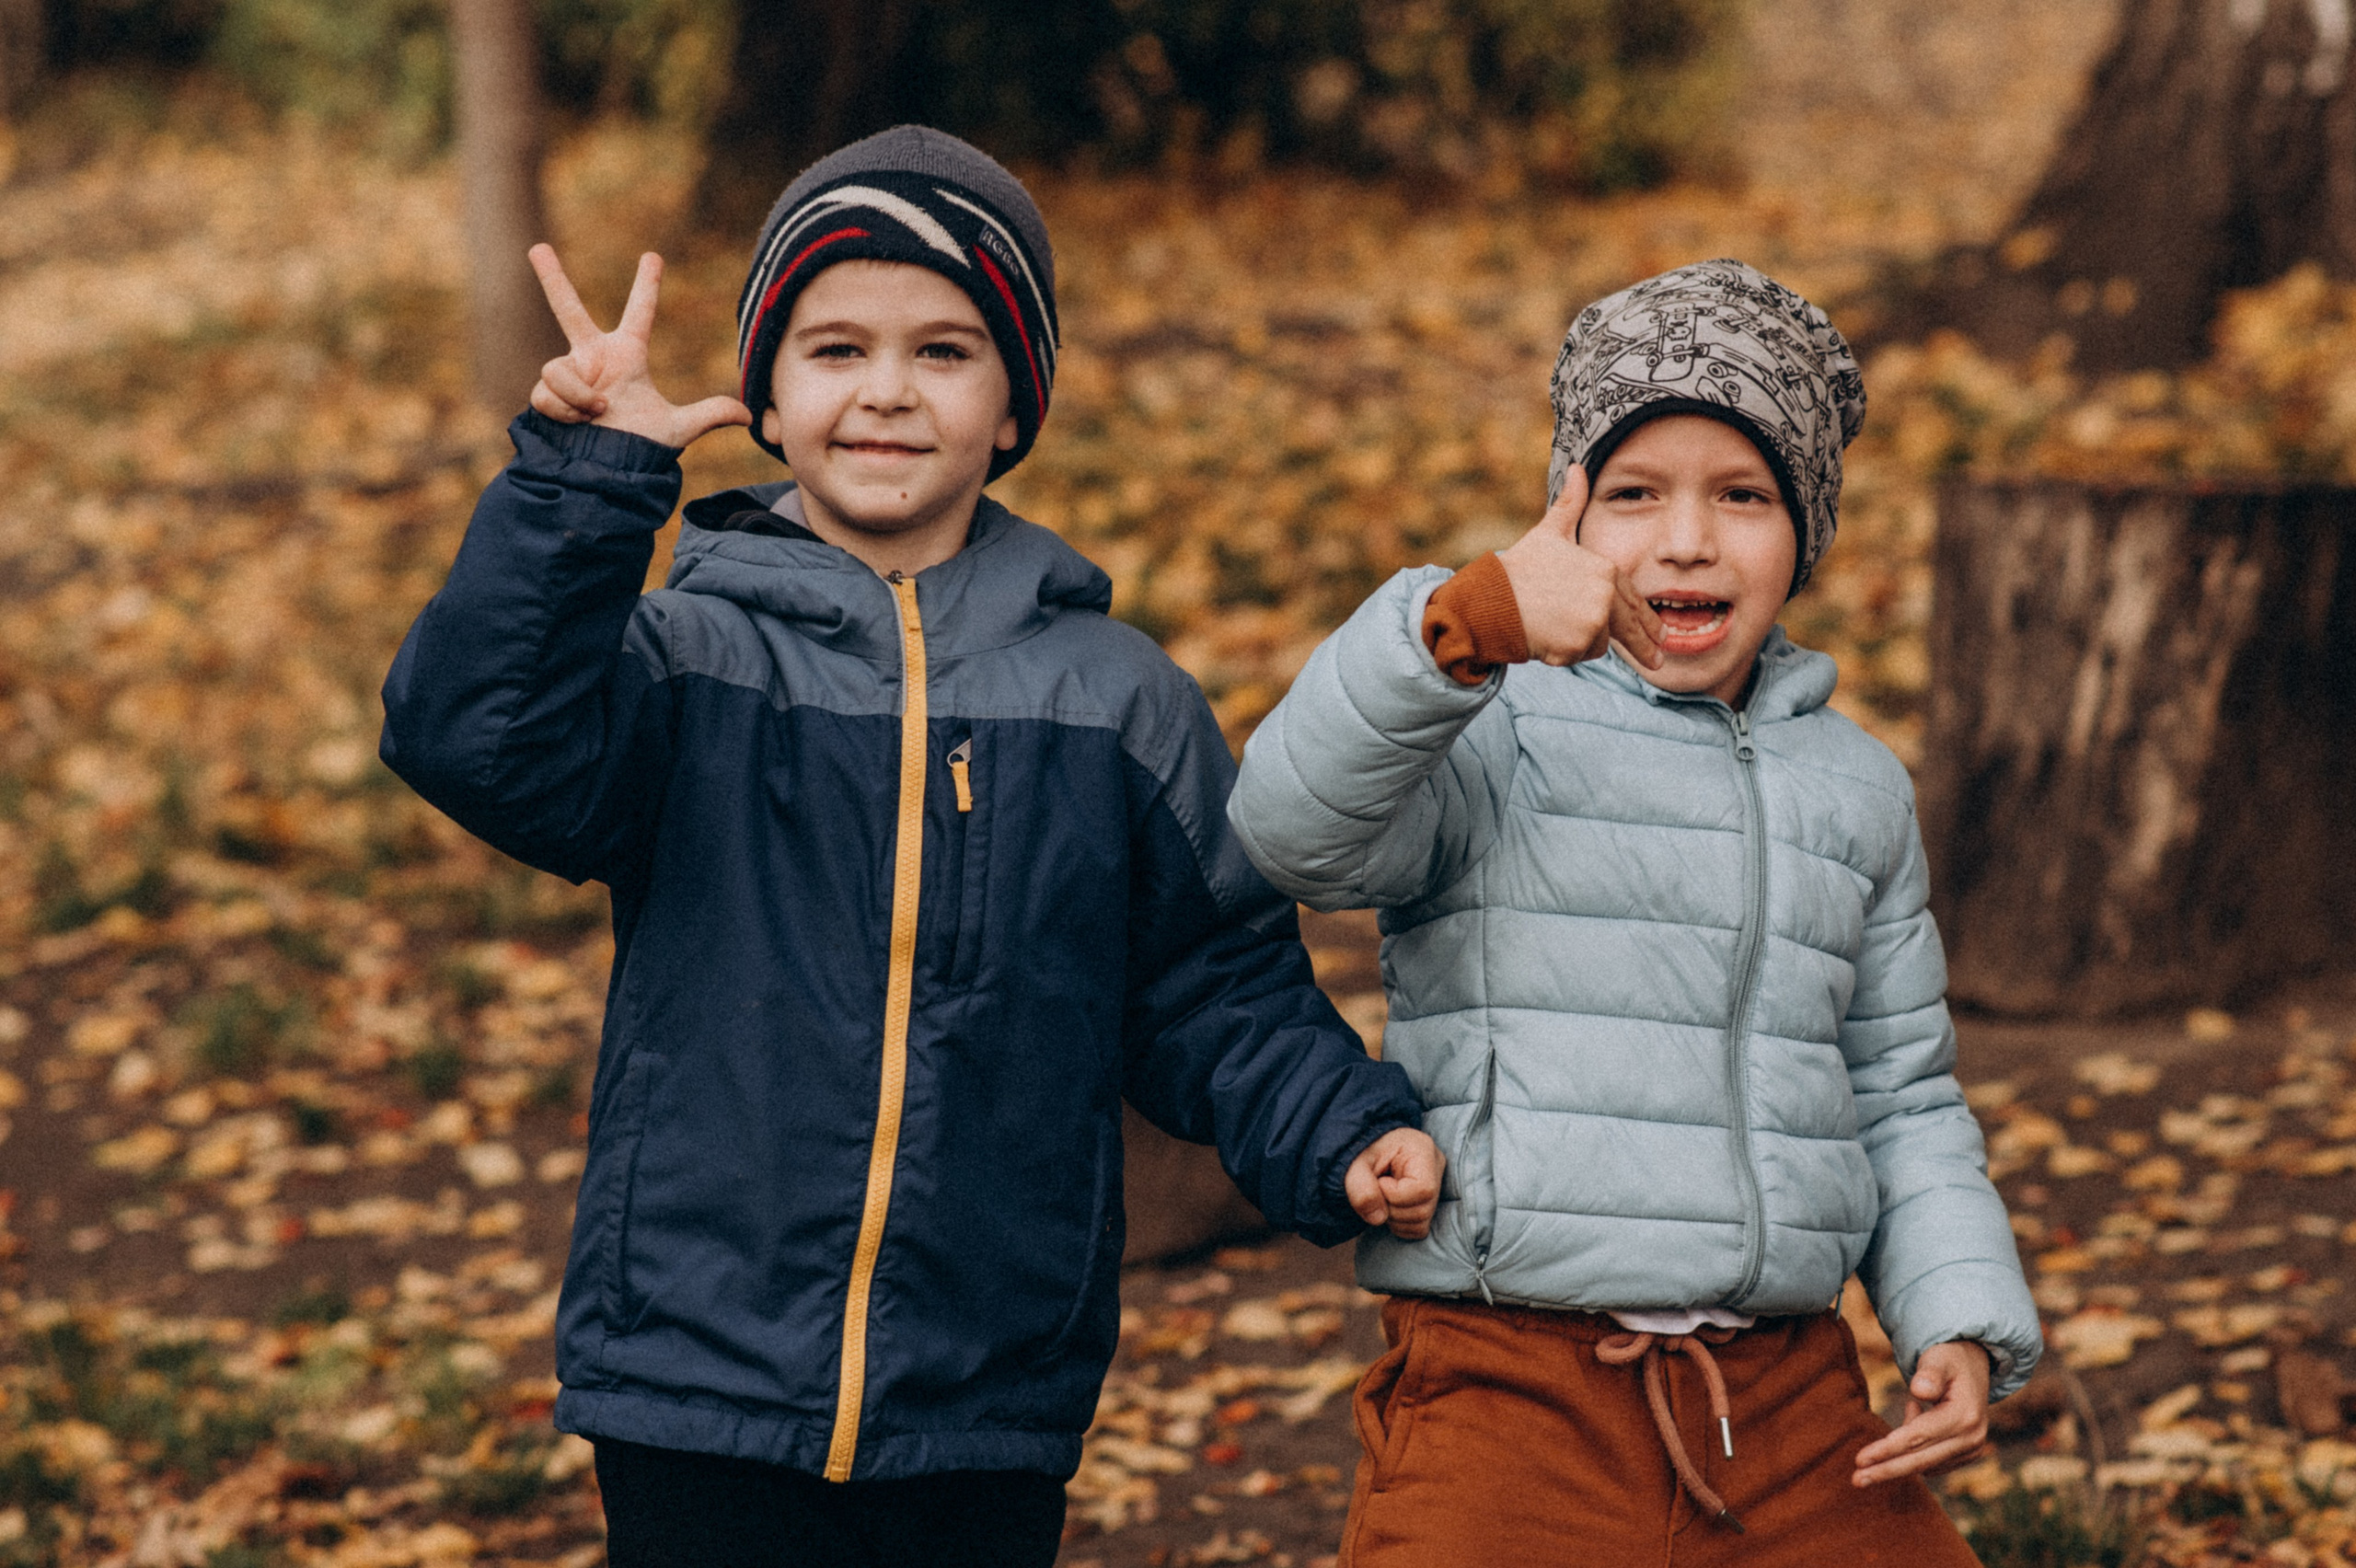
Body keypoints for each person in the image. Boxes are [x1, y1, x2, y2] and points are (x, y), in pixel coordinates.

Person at [379, 125, 1442, 1568]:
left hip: (986, 1380)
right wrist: (584, 483)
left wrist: (1338, 1128)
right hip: (698, 1365)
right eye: (835, 349)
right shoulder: (688, 660)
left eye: (945, 351)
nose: (886, 390)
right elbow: (473, 737)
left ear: (1015, 407)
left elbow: (1211, 983)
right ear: (766, 391)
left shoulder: (1115, 698)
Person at [1226, 259, 2040, 1566]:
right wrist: (1460, 625)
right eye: (1634, 495)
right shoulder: (1488, 723)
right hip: (1509, 1381)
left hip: (1781, 1400)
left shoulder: (1856, 790)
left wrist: (1953, 1308)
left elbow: (1899, 1094)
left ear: (1806, 533)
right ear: (1571, 519)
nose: (1686, 541)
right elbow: (1290, 827)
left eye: (1744, 497)